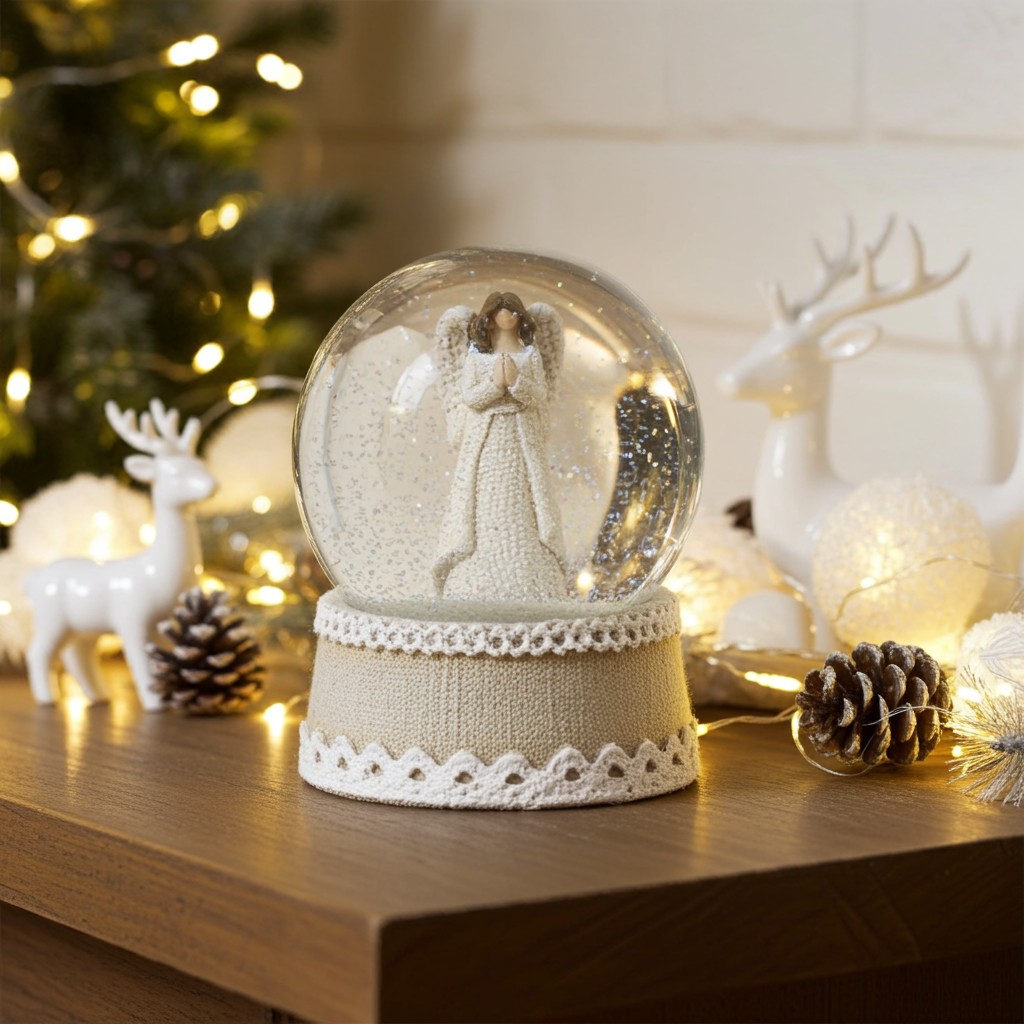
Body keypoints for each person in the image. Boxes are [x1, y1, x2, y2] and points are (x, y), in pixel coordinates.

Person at [432, 291, 568, 603]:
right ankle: (475, 576)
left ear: (521, 318)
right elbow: (469, 398)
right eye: (500, 313)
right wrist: (496, 385)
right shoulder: (476, 358)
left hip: (520, 438)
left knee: (522, 497)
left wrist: (516, 383)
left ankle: (529, 576)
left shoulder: (530, 355)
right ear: (489, 318)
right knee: (486, 498)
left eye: (512, 313)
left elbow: (537, 395)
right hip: (487, 438)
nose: (506, 318)